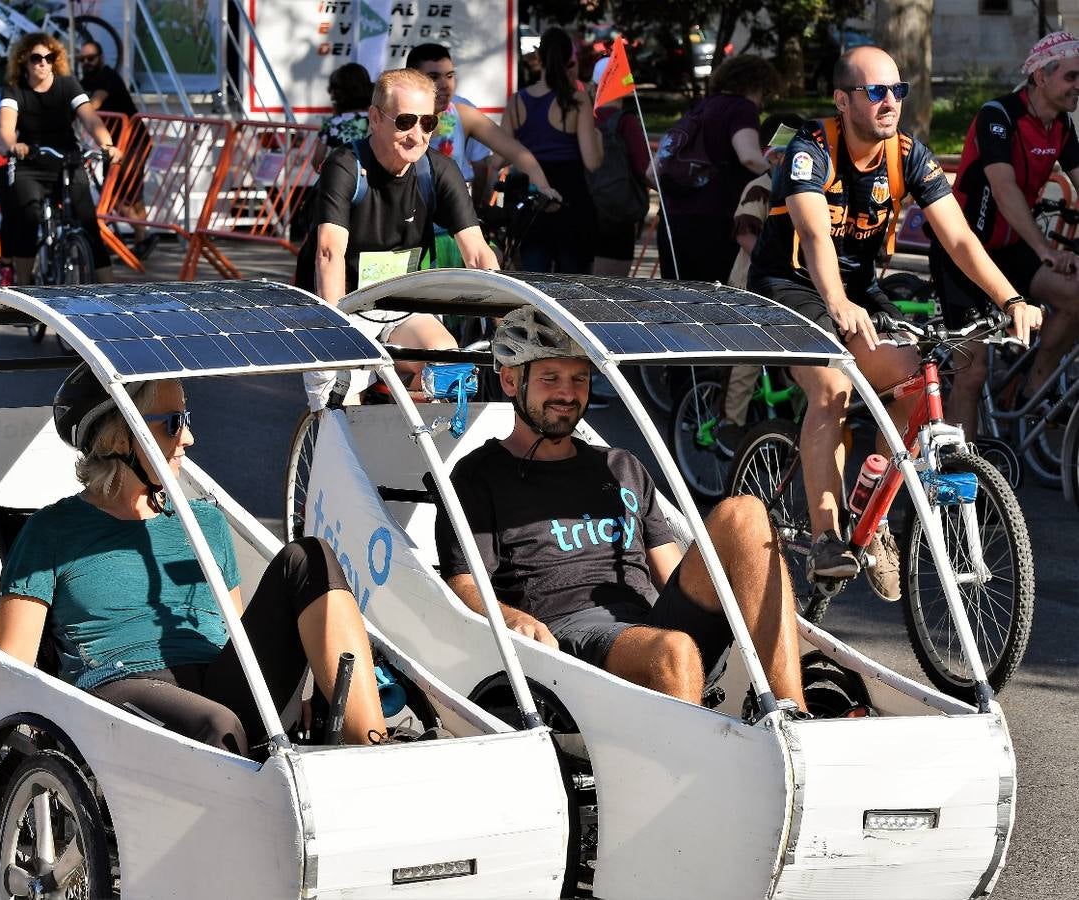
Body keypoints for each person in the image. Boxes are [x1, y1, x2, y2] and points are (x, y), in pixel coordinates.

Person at [747, 46, 1043, 600]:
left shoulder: (908, 155)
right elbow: (813, 237)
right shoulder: (811, 149)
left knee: (911, 379)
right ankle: (825, 538)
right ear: (843, 99)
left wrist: (1009, 298)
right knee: (832, 389)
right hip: (790, 286)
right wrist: (836, 304)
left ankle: (873, 511)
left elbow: (958, 238)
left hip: (857, 289)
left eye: (897, 91)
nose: (889, 102)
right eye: (875, 91)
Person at [0, 367, 390, 756]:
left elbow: (237, 635)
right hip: (119, 690)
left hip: (221, 681)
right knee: (216, 725)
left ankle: (374, 752)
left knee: (309, 557)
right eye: (173, 422)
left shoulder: (206, 522)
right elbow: (13, 670)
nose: (189, 437)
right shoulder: (50, 531)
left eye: (187, 419)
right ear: (120, 437)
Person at [434, 308, 807, 712]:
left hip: (651, 629)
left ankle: (791, 715)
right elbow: (464, 582)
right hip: (568, 642)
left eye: (579, 378)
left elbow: (673, 574)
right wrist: (510, 619)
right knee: (673, 650)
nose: (567, 392)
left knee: (745, 512)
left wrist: (754, 590)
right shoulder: (479, 476)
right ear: (510, 380)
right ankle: (691, 768)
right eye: (550, 378)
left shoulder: (620, 466)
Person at [294, 68, 498, 408]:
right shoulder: (345, 166)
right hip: (342, 306)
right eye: (404, 121)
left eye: (427, 123)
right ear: (375, 118)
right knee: (342, 416)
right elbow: (328, 253)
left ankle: (413, 448)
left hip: (402, 307)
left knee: (450, 372)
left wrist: (509, 326)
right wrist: (340, 334)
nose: (416, 134)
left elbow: (477, 254)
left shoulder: (439, 170)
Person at [932, 31, 1079, 440]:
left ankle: (1034, 391)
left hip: (1011, 248)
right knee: (972, 370)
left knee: (1074, 294)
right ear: (1040, 78)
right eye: (1071, 76)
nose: (1078, 86)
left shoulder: (1061, 126)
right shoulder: (998, 115)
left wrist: (1041, 251)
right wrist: (1044, 249)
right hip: (964, 250)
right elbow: (1003, 188)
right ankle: (963, 473)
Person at [0, 32, 122, 288]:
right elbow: (6, 126)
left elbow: (91, 118)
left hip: (68, 161)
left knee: (88, 224)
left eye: (49, 57)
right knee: (28, 217)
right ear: (23, 61)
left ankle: (111, 295)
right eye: (36, 58)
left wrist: (107, 145)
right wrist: (12, 145)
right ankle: (26, 289)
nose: (43, 63)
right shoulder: (14, 90)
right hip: (30, 163)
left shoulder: (68, 85)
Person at [714, 114, 805, 455]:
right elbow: (745, 234)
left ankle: (797, 421)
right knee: (747, 358)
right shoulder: (761, 188)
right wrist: (775, 259)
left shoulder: (803, 189)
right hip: (751, 285)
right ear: (773, 155)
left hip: (788, 285)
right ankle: (730, 422)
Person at [653, 54, 779, 281]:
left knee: (677, 305)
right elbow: (749, 157)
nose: (762, 104)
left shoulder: (696, 111)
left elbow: (652, 172)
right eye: (765, 94)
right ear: (756, 85)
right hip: (715, 223)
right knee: (713, 306)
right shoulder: (742, 109)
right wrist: (784, 179)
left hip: (672, 223)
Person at [501, 27, 603, 274]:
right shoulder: (578, 100)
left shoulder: (517, 102)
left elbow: (498, 157)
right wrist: (597, 135)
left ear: (539, 56)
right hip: (571, 199)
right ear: (570, 59)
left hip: (532, 199)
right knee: (575, 289)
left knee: (534, 286)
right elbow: (592, 161)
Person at [405, 43, 558, 204]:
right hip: (404, 223)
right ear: (411, 78)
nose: (445, 85)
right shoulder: (394, 117)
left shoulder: (463, 114)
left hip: (450, 224)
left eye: (449, 76)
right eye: (434, 77)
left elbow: (519, 154)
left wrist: (544, 188)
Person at [78, 40, 157, 260]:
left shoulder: (106, 76)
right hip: (115, 143)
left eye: (91, 58)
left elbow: (95, 104)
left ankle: (143, 235)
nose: (87, 63)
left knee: (114, 194)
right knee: (127, 193)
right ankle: (142, 240)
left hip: (133, 141)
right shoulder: (87, 79)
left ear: (101, 58)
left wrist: (74, 110)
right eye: (82, 59)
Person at [588, 54, 651, 277]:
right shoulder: (626, 121)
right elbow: (645, 170)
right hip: (617, 215)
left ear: (596, 85)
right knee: (610, 290)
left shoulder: (584, 118)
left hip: (585, 208)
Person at [312, 62, 373, 170]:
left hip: (339, 179)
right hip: (370, 181)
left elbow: (317, 161)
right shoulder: (375, 120)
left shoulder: (333, 123)